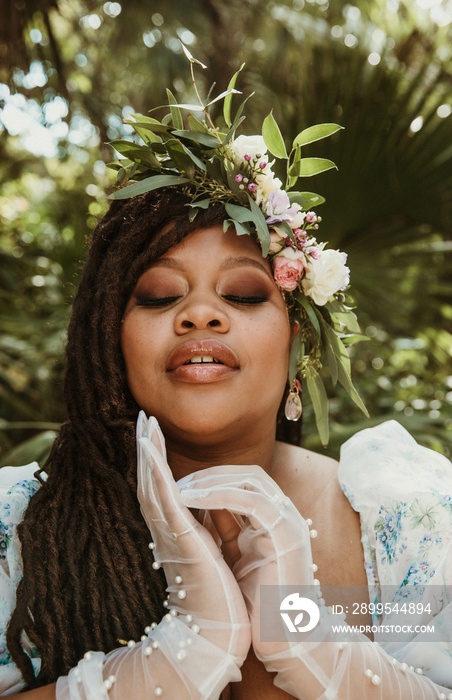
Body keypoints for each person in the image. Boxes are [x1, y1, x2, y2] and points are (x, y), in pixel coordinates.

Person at [0, 61, 451, 699]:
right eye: (158, 296)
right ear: (109, 340)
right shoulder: (16, 523)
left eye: (241, 293)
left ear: (299, 345)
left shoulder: (408, 514)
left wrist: (318, 647)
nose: (201, 314)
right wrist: (167, 666)